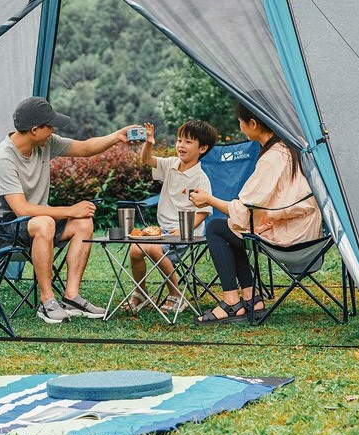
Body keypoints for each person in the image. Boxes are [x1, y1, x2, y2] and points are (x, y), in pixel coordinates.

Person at [0, 96, 134, 324]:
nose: (53, 130)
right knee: (46, 222)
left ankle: (71, 297)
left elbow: (84, 148)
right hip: (0, 227)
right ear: (35, 129)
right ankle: (47, 301)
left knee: (83, 222)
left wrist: (116, 136)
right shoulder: (4, 158)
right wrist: (70, 210)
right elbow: (21, 209)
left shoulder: (45, 143)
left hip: (33, 221)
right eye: (50, 126)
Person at [189, 102, 322, 324]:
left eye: (241, 122)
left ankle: (231, 302)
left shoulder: (274, 157)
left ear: (252, 123)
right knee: (234, 230)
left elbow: (243, 210)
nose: (240, 127)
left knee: (217, 227)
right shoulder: (289, 147)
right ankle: (251, 299)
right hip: (305, 232)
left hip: (291, 238)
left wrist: (208, 200)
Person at [128, 120, 217, 312]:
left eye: (187, 142)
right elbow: (147, 160)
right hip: (163, 230)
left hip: (186, 232)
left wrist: (183, 229)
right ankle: (141, 292)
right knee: (135, 250)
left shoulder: (200, 178)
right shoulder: (170, 165)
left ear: (202, 148)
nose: (181, 146)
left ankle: (176, 295)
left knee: (152, 249)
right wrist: (149, 142)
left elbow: (203, 212)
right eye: (179, 140)